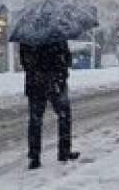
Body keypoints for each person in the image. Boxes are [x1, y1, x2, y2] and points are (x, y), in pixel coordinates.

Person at [20, 40, 79, 169]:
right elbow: (67, 60)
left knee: (35, 121)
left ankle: (34, 157)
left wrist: (37, 70)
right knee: (64, 116)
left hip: (35, 84)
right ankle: (64, 151)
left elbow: (25, 63)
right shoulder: (57, 37)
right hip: (55, 82)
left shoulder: (28, 38)